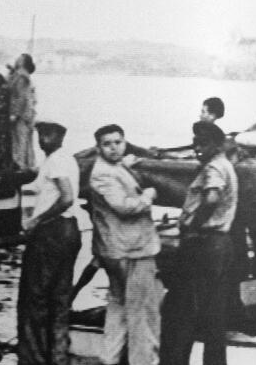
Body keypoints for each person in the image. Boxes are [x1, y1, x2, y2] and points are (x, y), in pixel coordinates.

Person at [160, 121, 238, 365]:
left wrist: (193, 227)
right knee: (214, 314)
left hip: (204, 244)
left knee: (183, 309)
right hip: (220, 245)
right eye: (195, 143)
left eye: (203, 143)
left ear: (217, 145)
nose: (197, 148)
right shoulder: (225, 165)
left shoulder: (213, 168)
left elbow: (212, 198)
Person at [88, 124, 162, 365]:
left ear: (124, 142)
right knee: (142, 313)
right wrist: (148, 196)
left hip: (116, 249)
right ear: (98, 148)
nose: (113, 148)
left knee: (118, 308)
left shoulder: (112, 166)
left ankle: (109, 359)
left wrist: (127, 165)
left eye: (118, 142)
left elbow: (119, 176)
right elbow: (123, 206)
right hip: (132, 250)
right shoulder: (103, 173)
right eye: (107, 144)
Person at [17, 121, 81, 365]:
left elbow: (67, 198)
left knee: (36, 298)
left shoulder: (56, 161)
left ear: (61, 136)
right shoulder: (65, 160)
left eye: (48, 134)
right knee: (60, 299)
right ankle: (57, 357)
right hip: (69, 231)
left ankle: (34, 359)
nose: (43, 138)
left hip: (52, 232)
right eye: (40, 134)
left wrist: (37, 220)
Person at [8, 53, 38, 169]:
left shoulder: (21, 77)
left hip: (21, 115)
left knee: (20, 141)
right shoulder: (24, 76)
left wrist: (15, 114)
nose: (16, 59)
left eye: (19, 58)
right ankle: (28, 165)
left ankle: (22, 166)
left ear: (22, 62)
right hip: (28, 114)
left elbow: (21, 96)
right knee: (26, 142)